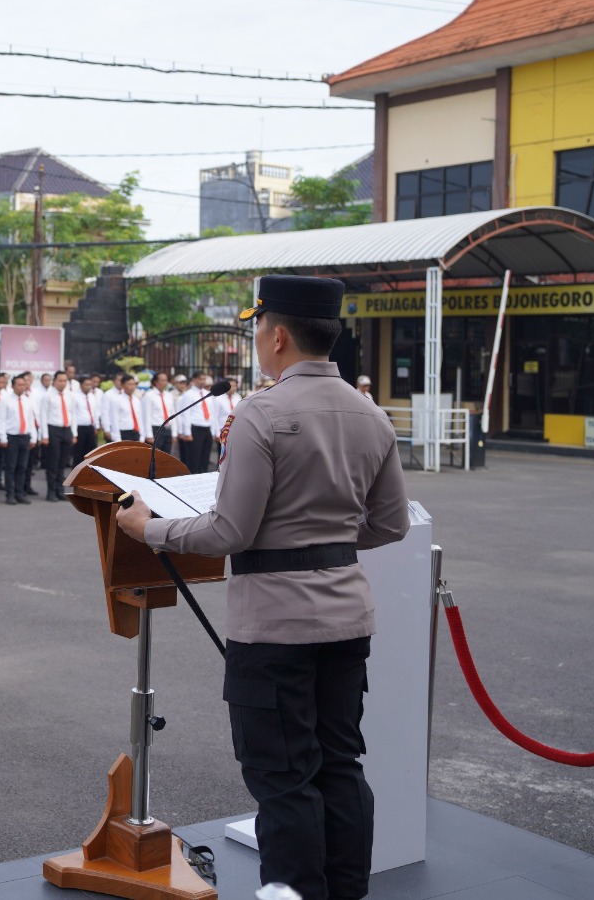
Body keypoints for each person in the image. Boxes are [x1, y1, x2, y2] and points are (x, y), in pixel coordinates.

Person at [116, 275, 408, 900]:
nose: (254, 339)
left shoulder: (263, 413)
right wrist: (321, 545)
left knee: (284, 778)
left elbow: (229, 530)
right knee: (340, 766)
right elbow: (389, 524)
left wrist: (150, 528)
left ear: (276, 335)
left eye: (254, 327)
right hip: (346, 619)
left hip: (273, 626)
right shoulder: (371, 414)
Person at [0, 374, 39, 505]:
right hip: (12, 437)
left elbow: (30, 420)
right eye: (19, 385)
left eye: (23, 385)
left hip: (24, 437)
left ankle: (20, 493)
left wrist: (33, 437)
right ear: (13, 386)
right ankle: (10, 494)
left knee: (22, 467)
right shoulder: (5, 400)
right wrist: (2, 437)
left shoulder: (27, 400)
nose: (22, 387)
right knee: (11, 467)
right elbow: (1, 420)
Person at [38, 372, 75, 501]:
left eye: (65, 381)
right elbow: (42, 416)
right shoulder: (47, 396)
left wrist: (74, 433)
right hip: (53, 430)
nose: (63, 383)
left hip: (66, 429)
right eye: (60, 380)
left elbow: (72, 414)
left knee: (63, 463)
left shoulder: (70, 395)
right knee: (53, 463)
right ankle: (51, 491)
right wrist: (44, 435)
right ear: (54, 381)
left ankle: (60, 490)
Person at [210, 377, 243, 464]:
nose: (233, 388)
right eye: (231, 386)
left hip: (236, 430)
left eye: (234, 386)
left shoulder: (238, 397)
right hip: (223, 431)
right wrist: (216, 433)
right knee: (222, 455)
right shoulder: (218, 399)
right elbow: (214, 417)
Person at [142, 371, 176, 451]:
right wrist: (149, 434)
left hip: (167, 429)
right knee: (155, 456)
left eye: (166, 380)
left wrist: (174, 433)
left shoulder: (169, 395)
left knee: (166, 456)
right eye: (162, 380)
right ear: (156, 382)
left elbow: (172, 414)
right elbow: (146, 416)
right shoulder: (149, 395)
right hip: (156, 429)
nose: (165, 382)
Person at [72, 375, 100, 464]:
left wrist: (96, 426)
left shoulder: (92, 396)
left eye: (90, 385)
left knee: (91, 452)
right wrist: (74, 432)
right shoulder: (75, 396)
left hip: (90, 427)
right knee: (79, 452)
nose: (88, 387)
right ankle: (76, 473)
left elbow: (94, 412)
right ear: (81, 385)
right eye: (86, 385)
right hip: (80, 428)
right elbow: (73, 414)